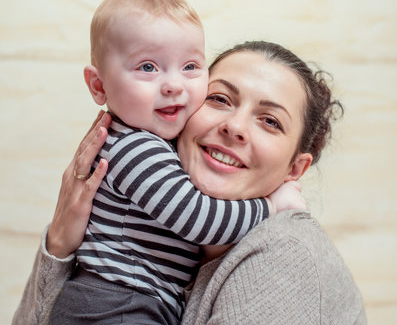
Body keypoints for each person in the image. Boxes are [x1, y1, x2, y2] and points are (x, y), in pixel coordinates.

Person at [12, 41, 367, 325]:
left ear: (295, 169)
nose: (235, 126)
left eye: (270, 121)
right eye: (219, 99)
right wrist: (59, 245)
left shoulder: (282, 257)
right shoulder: (155, 222)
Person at [48, 0, 299, 325]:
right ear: (99, 86)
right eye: (148, 67)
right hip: (116, 303)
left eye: (190, 66)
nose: (173, 85)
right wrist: (271, 206)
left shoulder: (159, 144)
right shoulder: (134, 149)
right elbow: (200, 220)